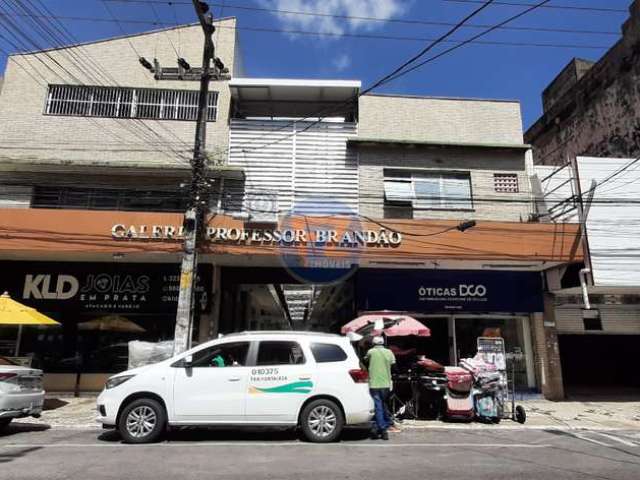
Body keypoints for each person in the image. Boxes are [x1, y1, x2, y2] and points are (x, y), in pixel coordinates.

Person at [364, 336, 396, 440]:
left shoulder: (370, 352)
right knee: (383, 405)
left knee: (378, 406)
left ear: (373, 343)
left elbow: (364, 362)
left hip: (374, 383)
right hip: (386, 383)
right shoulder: (389, 352)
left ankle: (382, 429)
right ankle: (384, 425)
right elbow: (394, 366)